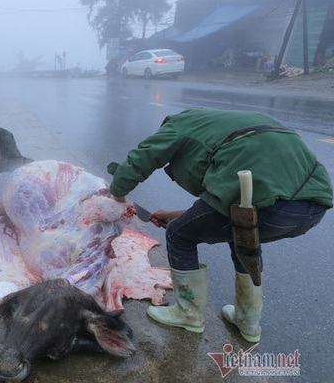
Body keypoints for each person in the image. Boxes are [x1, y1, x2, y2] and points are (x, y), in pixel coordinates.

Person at [107, 108, 332, 342]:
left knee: (179, 234)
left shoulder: (179, 125)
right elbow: (231, 207)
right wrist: (175, 215)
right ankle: (248, 320)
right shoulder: (227, 123)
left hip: (265, 201)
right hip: (313, 207)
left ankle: (188, 313)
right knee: (241, 235)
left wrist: (117, 194)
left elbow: (141, 158)